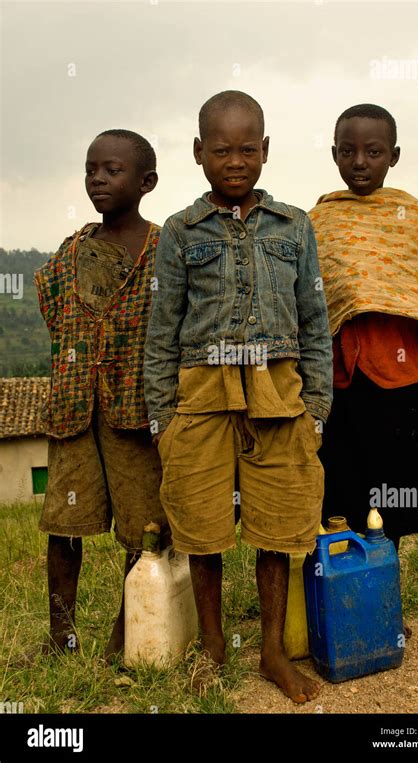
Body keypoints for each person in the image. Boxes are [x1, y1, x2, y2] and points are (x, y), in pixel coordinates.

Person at [144, 90, 333, 703]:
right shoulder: (180, 232)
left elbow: (313, 323)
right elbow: (161, 331)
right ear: (199, 152)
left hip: (279, 393)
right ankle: (214, 646)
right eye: (221, 150)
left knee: (278, 526)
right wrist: (161, 421)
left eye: (247, 149)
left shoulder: (294, 226)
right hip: (200, 395)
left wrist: (319, 411)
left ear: (266, 151)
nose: (235, 161)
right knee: (201, 525)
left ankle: (273, 652)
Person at [35, 129, 169, 660]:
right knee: (64, 528)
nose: (97, 179)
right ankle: (61, 637)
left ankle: (129, 633)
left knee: (145, 528)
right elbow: (52, 305)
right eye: (92, 169)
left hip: (135, 415)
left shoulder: (165, 251)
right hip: (73, 411)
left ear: (146, 181)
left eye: (112, 170)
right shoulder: (71, 253)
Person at [308, 104, 418, 563]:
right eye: (348, 151)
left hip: (396, 374)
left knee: (396, 496)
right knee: (340, 489)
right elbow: (311, 298)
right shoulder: (319, 220)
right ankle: (343, 593)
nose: (360, 162)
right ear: (334, 154)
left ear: (394, 155)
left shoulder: (409, 216)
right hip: (338, 379)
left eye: (373, 151)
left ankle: (385, 591)